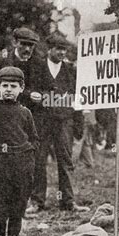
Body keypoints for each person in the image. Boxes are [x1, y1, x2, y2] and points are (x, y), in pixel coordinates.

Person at [26, 34, 88, 214]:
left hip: (64, 121)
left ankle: (68, 201)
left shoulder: (70, 70)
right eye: (58, 49)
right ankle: (37, 201)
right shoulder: (36, 66)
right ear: (49, 49)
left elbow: (78, 97)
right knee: (39, 160)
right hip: (41, 122)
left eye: (64, 49)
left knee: (65, 160)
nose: (61, 52)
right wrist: (32, 95)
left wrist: (78, 123)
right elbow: (26, 89)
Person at [0, 67, 39, 236]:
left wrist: (28, 157)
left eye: (13, 86)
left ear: (21, 88)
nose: (9, 89)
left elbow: (34, 139)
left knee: (17, 208)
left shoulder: (25, 112)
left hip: (20, 166)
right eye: (5, 85)